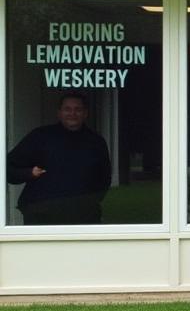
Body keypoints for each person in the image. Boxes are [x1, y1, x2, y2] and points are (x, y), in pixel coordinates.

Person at [6, 93, 112, 225]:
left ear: (85, 113)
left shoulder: (96, 142)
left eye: (78, 109)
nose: (72, 113)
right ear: (59, 113)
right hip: (41, 215)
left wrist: (89, 202)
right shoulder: (40, 137)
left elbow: (104, 178)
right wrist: (29, 173)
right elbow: (7, 168)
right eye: (67, 109)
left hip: (83, 216)